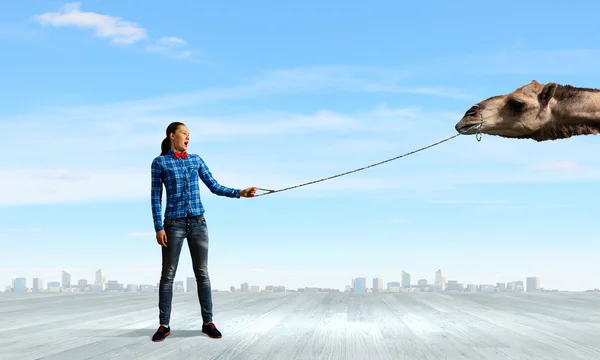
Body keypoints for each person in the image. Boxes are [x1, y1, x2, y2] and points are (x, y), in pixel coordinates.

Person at [150, 121, 257, 342]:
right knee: (168, 275)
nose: (188, 137)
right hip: (173, 225)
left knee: (202, 274)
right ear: (172, 136)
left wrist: (240, 193)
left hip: (199, 223)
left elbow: (214, 185)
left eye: (189, 134)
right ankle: (164, 324)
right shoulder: (159, 162)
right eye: (184, 133)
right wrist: (159, 227)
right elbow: (155, 197)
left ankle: (208, 322)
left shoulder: (196, 159)